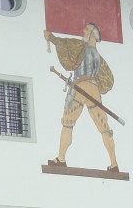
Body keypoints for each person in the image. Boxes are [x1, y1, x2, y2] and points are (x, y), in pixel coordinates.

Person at [44, 22, 118, 171]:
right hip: (94, 90)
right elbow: (107, 79)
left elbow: (64, 43)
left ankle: (61, 158)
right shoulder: (99, 58)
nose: (83, 32)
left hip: (80, 87)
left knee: (68, 122)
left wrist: (51, 37)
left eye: (86, 30)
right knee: (104, 127)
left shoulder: (81, 47)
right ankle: (114, 163)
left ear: (92, 32)